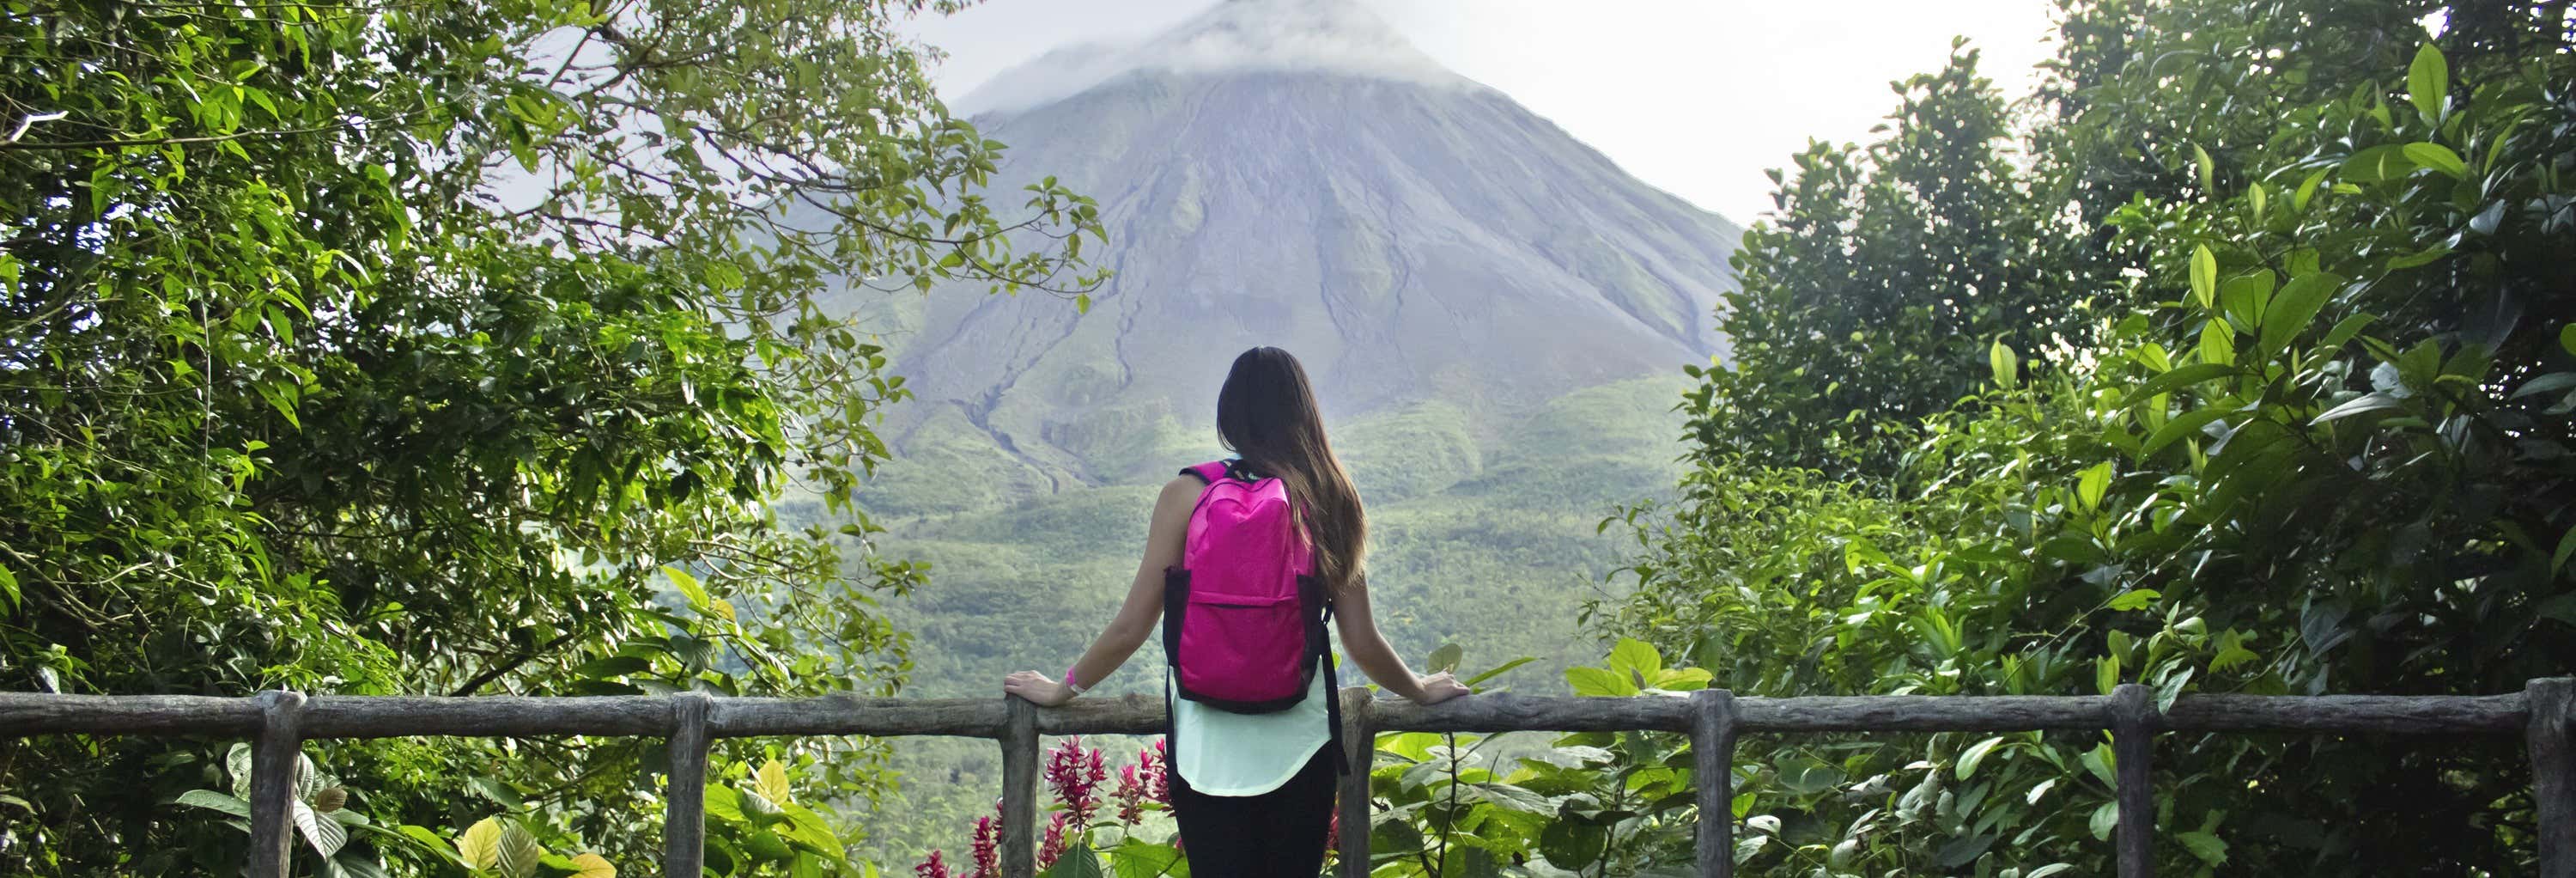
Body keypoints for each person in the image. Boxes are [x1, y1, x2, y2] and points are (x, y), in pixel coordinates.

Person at [1004, 346, 1471, 877]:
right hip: (1300, 746)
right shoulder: (1331, 498)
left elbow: (1133, 625)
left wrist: (1063, 688)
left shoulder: (1185, 495)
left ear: (1229, 415)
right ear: (1306, 412)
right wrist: (1418, 689)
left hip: (1206, 751)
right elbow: (1361, 641)